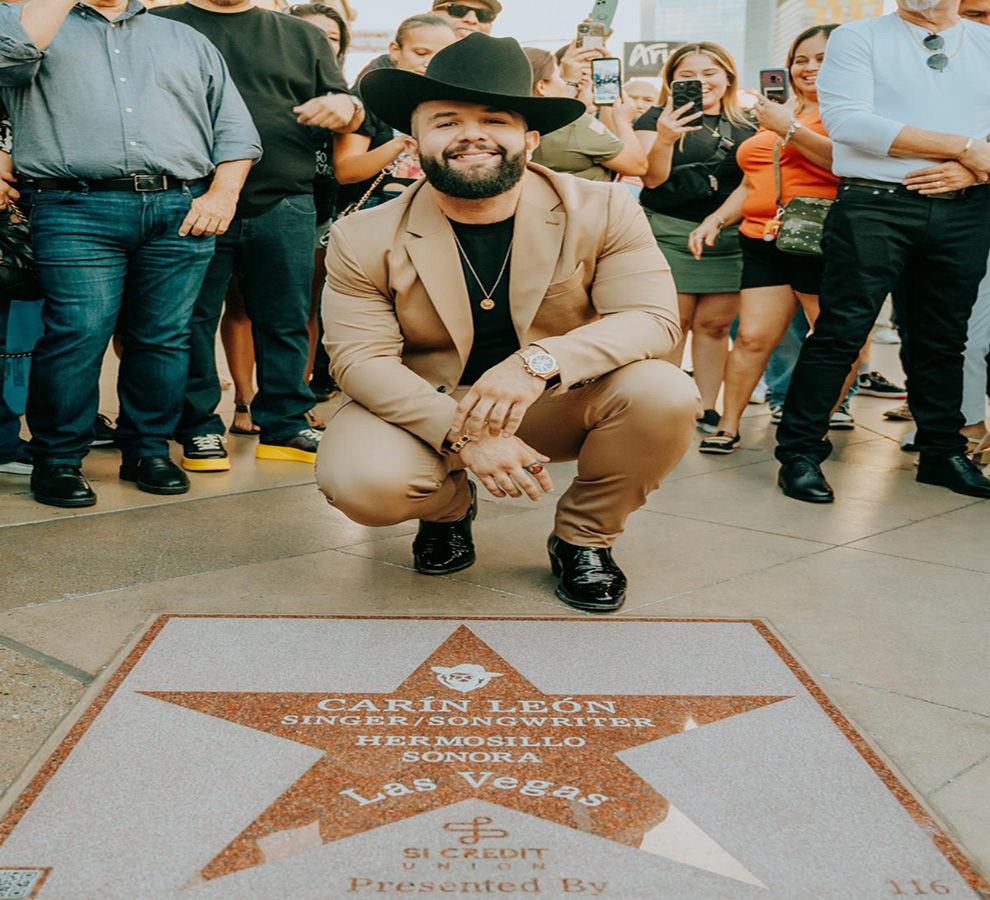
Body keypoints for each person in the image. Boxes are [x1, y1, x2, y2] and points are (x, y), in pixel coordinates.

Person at [317, 34, 699, 613]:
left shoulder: (604, 208)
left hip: (553, 398)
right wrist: (465, 433)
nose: (471, 134)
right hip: (427, 405)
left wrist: (538, 364)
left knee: (665, 391)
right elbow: (357, 360)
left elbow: (650, 318)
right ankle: (449, 511)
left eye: (494, 119)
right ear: (413, 142)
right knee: (362, 482)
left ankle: (583, 539)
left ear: (530, 138)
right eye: (445, 122)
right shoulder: (362, 235)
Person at [0, 0, 261, 508]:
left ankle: (147, 451)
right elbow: (8, 59)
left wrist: (222, 194)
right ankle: (58, 460)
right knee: (78, 332)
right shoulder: (27, 23)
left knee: (164, 336)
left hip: (178, 205)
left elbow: (234, 128)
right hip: (74, 203)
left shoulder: (184, 38)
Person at [775, 0, 990, 502]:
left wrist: (974, 169)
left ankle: (941, 451)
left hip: (966, 203)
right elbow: (851, 123)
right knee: (841, 330)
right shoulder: (860, 38)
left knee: (944, 337)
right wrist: (963, 148)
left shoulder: (985, 42)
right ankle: (801, 453)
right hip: (875, 202)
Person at [152, 0, 363, 473]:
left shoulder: (302, 35)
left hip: (285, 196)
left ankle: (285, 424)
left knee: (286, 318)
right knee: (189, 321)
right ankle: (197, 428)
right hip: (190, 197)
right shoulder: (162, 23)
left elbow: (350, 111)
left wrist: (345, 105)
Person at [690, 25, 840, 453]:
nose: (809, 67)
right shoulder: (781, 108)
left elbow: (847, 166)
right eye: (801, 59)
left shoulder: (848, 110)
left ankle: (812, 424)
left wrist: (789, 128)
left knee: (829, 338)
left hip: (819, 238)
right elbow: (755, 180)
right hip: (763, 238)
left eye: (823, 58)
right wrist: (716, 219)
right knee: (753, 337)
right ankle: (729, 425)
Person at [634, 43, 757, 434]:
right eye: (687, 75)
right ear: (671, 81)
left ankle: (706, 406)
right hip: (667, 231)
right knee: (676, 323)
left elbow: (753, 182)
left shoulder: (750, 124)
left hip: (728, 234)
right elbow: (651, 179)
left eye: (710, 73)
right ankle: (668, 405)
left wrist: (719, 221)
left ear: (728, 78)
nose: (700, 82)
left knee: (715, 326)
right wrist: (666, 137)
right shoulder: (654, 118)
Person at [288, 2, 351, 409]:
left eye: (330, 37)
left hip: (322, 213)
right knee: (241, 309)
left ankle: (301, 393)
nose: (320, 44)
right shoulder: (278, 84)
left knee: (305, 310)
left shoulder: (348, 95)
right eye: (309, 34)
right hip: (269, 205)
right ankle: (245, 399)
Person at [334, 15, 457, 213]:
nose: (430, 63)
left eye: (442, 56)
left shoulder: (456, 103)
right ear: (395, 50)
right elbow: (346, 171)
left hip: (443, 209)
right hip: (376, 210)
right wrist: (402, 142)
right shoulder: (372, 98)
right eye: (421, 53)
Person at [526, 47, 648, 182]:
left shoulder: (514, 119)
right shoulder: (576, 125)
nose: (563, 83)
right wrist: (623, 121)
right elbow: (637, 166)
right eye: (559, 77)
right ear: (542, 86)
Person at [359, 0, 500, 76]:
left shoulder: (499, 69)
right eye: (458, 10)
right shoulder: (385, 67)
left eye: (484, 15)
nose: (471, 19)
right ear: (433, 14)